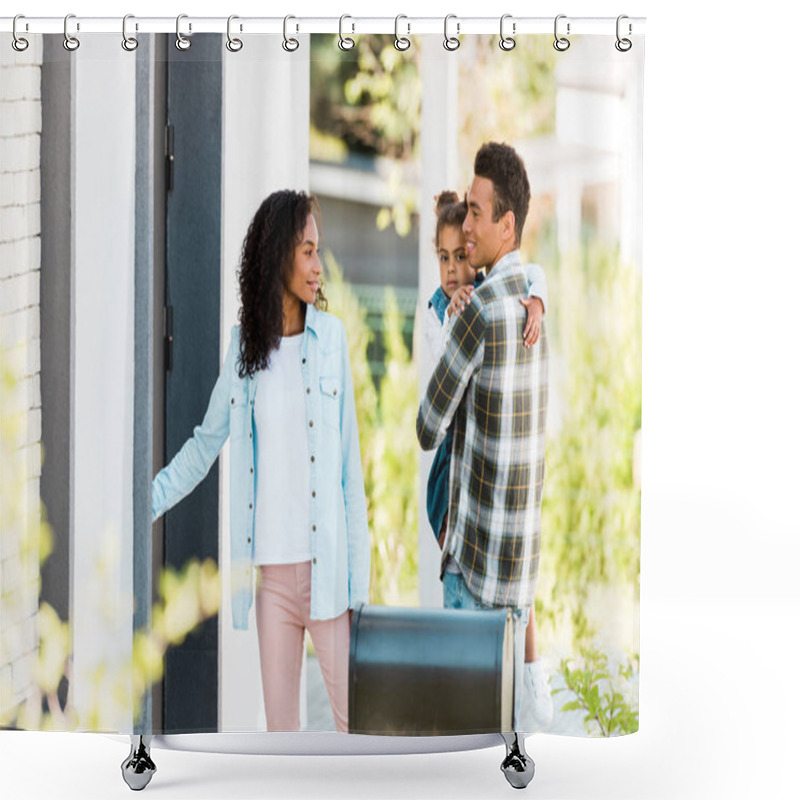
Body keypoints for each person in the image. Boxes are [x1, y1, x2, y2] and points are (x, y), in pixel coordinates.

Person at [151, 190, 370, 734]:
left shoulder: (332, 342)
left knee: (357, 731)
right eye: (307, 252)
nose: (319, 266)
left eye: (319, 251)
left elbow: (350, 473)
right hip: (271, 578)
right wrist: (145, 501)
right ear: (278, 258)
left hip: (328, 574)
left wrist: (358, 591)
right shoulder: (244, 352)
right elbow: (205, 444)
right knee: (282, 740)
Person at [416, 143, 550, 737]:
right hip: (520, 577)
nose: (467, 225)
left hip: (473, 576)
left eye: (475, 212)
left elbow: (426, 428)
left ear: (506, 224)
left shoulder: (477, 313)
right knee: (507, 744)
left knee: (463, 744)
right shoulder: (536, 310)